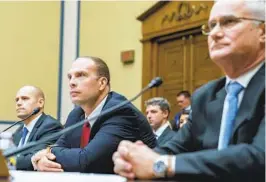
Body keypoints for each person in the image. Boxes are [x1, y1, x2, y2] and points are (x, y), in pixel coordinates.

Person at [112, 0, 265, 181]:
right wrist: (134, 159)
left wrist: (161, 164)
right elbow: (175, 148)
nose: (215, 33)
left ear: (262, 32)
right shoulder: (206, 96)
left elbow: (259, 157)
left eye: (229, 22)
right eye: (211, 26)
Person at [31, 56, 156, 173]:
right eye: (70, 77)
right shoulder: (76, 114)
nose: (72, 83)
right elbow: (61, 146)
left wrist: (48, 152)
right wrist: (45, 160)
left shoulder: (120, 111)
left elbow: (87, 160)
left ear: (102, 83)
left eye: (81, 75)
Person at [12, 85, 62, 170]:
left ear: (40, 103)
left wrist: (7, 161)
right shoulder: (19, 131)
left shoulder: (51, 126)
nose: (19, 103)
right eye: (17, 100)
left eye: (24, 98)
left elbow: (35, 157)